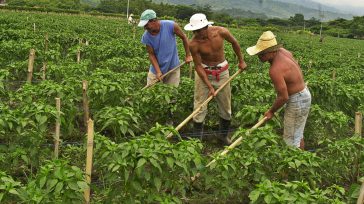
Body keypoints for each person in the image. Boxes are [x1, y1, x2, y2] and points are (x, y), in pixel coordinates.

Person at [184, 13, 247, 145]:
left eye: (199, 29)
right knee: (200, 107)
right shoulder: (193, 44)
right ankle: (197, 141)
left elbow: (234, 42)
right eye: (194, 30)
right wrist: (209, 85)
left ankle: (223, 137)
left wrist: (241, 61)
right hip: (204, 74)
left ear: (206, 26)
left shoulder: (221, 32)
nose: (197, 33)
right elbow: (198, 67)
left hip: (222, 73)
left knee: (226, 106)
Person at [246, 31, 311, 150]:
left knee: (290, 139)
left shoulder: (275, 70)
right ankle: (301, 162)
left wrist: (271, 111)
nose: (259, 56)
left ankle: (294, 166)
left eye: (262, 54)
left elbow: (283, 97)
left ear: (272, 51)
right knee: (298, 134)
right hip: (304, 94)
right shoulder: (284, 52)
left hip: (297, 100)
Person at [138, 9, 192, 86]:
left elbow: (184, 37)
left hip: (173, 67)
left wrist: (188, 55)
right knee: (150, 94)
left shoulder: (171, 25)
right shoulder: (146, 36)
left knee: (171, 93)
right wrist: (158, 71)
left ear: (153, 20)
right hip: (156, 69)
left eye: (146, 25)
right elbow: (151, 54)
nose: (145, 28)